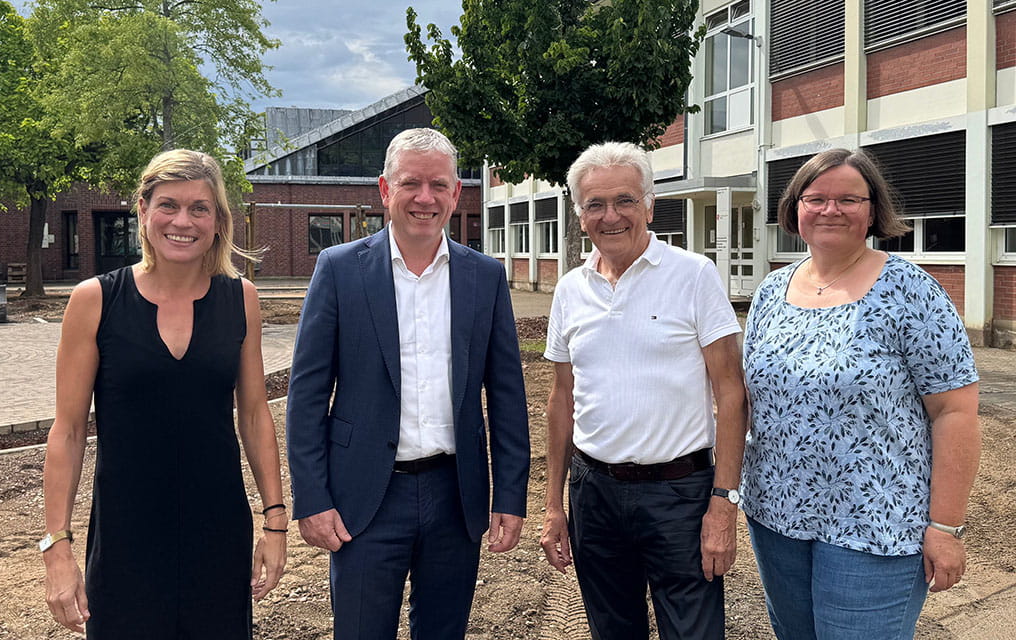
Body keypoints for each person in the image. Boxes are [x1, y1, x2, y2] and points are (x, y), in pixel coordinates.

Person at [285, 127, 530, 640]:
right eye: (411, 184)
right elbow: (306, 396)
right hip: (364, 495)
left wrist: (509, 495)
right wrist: (311, 497)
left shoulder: (484, 276)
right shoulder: (339, 270)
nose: (425, 198)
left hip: (454, 494)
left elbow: (507, 396)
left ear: (457, 192)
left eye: (439, 185)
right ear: (384, 190)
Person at [41, 149, 287, 638]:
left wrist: (275, 523)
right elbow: (67, 432)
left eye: (200, 208)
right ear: (143, 210)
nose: (183, 221)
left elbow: (256, 415)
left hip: (218, 533)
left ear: (218, 220)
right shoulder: (96, 300)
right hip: (125, 534)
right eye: (169, 205)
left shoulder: (241, 298)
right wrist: (58, 547)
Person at [741, 148, 980, 639]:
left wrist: (946, 526)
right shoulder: (770, 291)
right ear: (795, 208)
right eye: (817, 198)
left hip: (876, 521)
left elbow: (955, 412)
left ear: (873, 211)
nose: (831, 210)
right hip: (777, 518)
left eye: (849, 199)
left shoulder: (912, 290)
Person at [540, 141, 747, 639]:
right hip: (595, 494)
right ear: (579, 214)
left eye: (625, 200)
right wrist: (552, 505)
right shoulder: (570, 289)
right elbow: (562, 398)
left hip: (680, 495)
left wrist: (723, 503)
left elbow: (731, 393)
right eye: (595, 204)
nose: (611, 216)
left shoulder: (693, 275)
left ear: (649, 205)